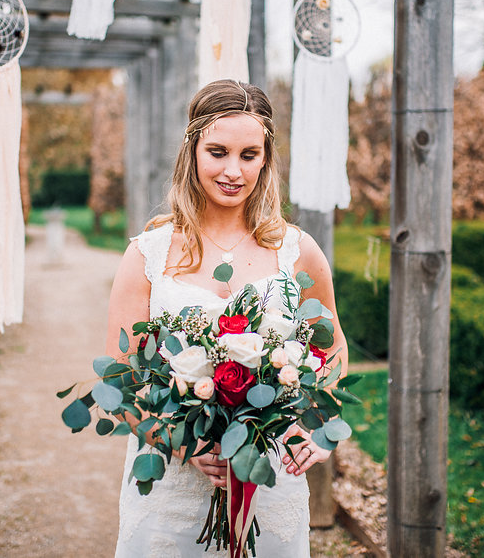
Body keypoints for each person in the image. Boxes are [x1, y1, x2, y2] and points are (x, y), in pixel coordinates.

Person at [105, 79, 349, 556]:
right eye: (218, 151)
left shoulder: (297, 252)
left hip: (270, 477)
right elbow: (120, 379)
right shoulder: (148, 255)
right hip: (171, 491)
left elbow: (333, 348)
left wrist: (319, 422)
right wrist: (181, 443)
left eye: (249, 155)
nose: (234, 170)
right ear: (192, 151)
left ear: (266, 158)